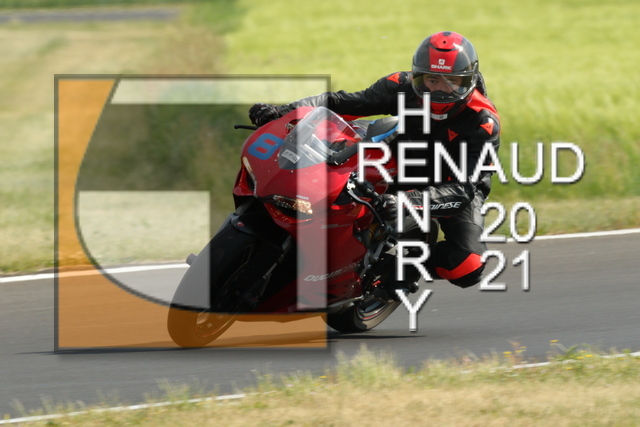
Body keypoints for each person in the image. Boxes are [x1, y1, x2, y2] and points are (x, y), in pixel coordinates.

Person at [248, 31, 500, 290]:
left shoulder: (483, 122)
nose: (439, 90)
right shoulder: (401, 85)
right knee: (331, 178)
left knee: (468, 265)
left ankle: (398, 269)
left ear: (468, 81)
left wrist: (408, 202)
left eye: (452, 82)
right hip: (402, 158)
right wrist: (282, 112)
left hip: (451, 186)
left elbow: (465, 190)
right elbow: (341, 102)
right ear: (417, 76)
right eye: (431, 79)